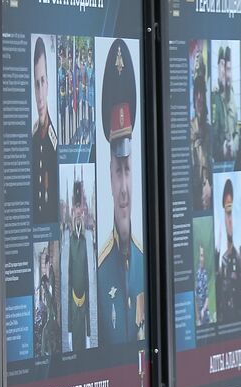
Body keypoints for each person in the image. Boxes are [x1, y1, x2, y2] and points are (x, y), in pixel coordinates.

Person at [97, 38, 145, 345]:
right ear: (109, 177)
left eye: (128, 169)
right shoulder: (99, 273)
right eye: (118, 171)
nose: (125, 188)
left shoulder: (145, 259)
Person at [32, 37, 58, 225]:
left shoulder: (54, 139)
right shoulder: (32, 137)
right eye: (36, 84)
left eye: (43, 81)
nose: (40, 95)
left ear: (48, 83)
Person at [66, 178, 91, 351]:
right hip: (74, 298)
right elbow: (67, 278)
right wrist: (67, 330)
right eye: (75, 209)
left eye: (80, 209)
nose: (78, 213)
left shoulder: (88, 238)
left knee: (83, 336)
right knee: (75, 334)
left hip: (86, 297)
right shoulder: (68, 240)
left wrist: (90, 333)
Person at [216, 179, 241, 323]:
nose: (230, 220)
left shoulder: (240, 257)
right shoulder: (219, 260)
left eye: (232, 213)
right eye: (228, 213)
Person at [190, 54, 213, 211]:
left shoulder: (211, 131)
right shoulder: (188, 131)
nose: (199, 98)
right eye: (196, 92)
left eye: (202, 92)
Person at [212, 44, 237, 164]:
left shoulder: (232, 96)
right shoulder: (213, 97)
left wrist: (234, 146)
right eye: (221, 65)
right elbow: (210, 136)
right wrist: (221, 148)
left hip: (232, 160)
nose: (224, 72)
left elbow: (237, 130)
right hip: (218, 161)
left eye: (227, 68)